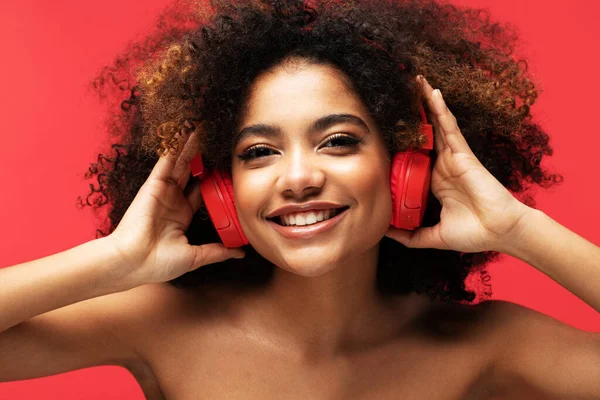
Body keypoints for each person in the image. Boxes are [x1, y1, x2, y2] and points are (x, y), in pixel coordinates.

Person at [1, 0, 599, 398]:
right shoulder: (158, 324)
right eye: (258, 152)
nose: (297, 178)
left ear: (407, 169)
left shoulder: (490, 345)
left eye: (337, 142)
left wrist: (517, 228)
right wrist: (113, 263)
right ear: (221, 190)